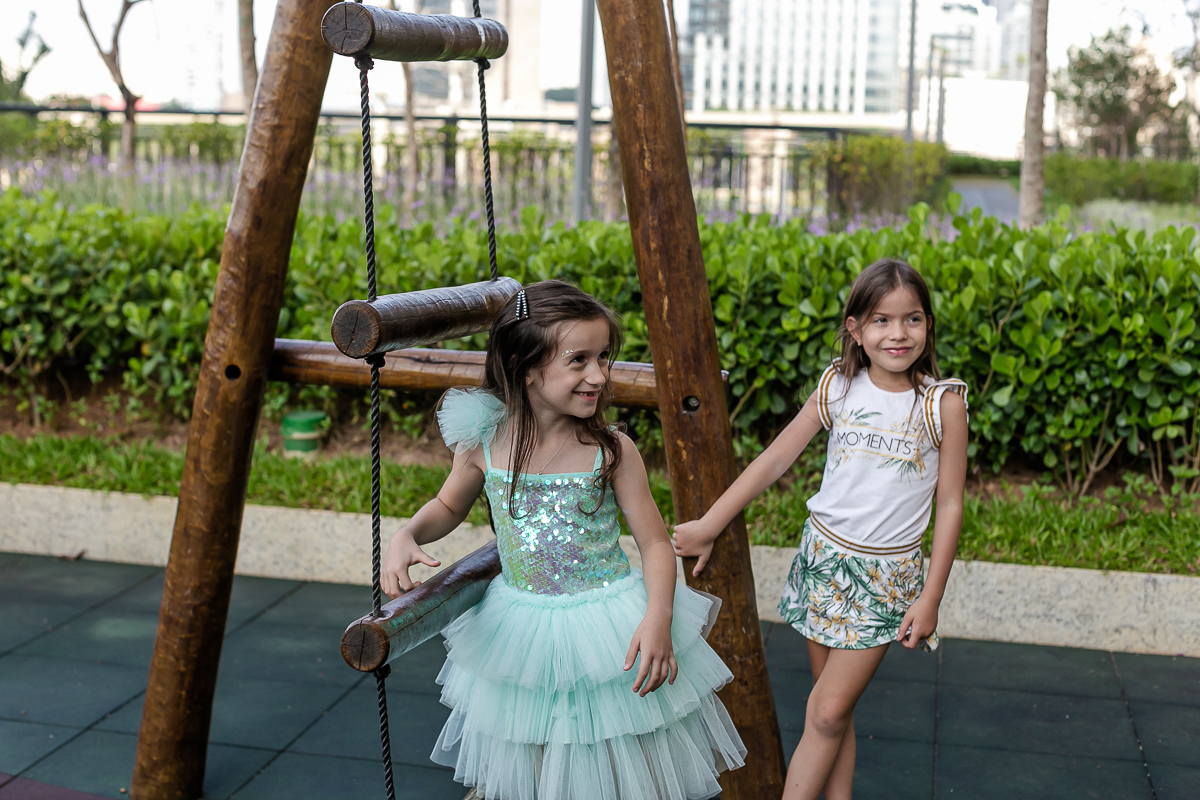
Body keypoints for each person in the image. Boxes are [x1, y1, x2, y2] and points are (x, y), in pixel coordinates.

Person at [383, 280, 746, 800]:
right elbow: (447, 506)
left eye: (603, 358)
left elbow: (656, 544)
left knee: (616, 756)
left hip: (606, 627)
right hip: (520, 627)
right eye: (579, 360)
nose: (597, 375)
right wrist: (407, 533)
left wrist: (658, 616)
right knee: (527, 756)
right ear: (526, 366)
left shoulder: (611, 450)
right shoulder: (485, 440)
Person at [672, 259, 968, 800]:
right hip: (822, 563)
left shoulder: (940, 403)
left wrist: (932, 596)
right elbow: (775, 458)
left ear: (928, 326)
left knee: (827, 711)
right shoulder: (839, 385)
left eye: (913, 320)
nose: (898, 334)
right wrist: (711, 524)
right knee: (830, 712)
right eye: (881, 320)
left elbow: (950, 505)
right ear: (855, 328)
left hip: (886, 579)